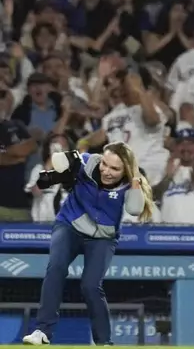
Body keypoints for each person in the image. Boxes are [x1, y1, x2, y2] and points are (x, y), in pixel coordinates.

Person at [22, 142, 155, 345]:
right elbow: (55, 167)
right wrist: (62, 164)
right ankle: (42, 331)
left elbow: (135, 209)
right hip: (69, 224)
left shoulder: (130, 183)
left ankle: (103, 342)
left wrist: (135, 180)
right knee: (56, 268)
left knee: (91, 286)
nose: (106, 171)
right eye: (105, 164)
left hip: (103, 237)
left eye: (115, 168)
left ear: (125, 170)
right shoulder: (86, 162)